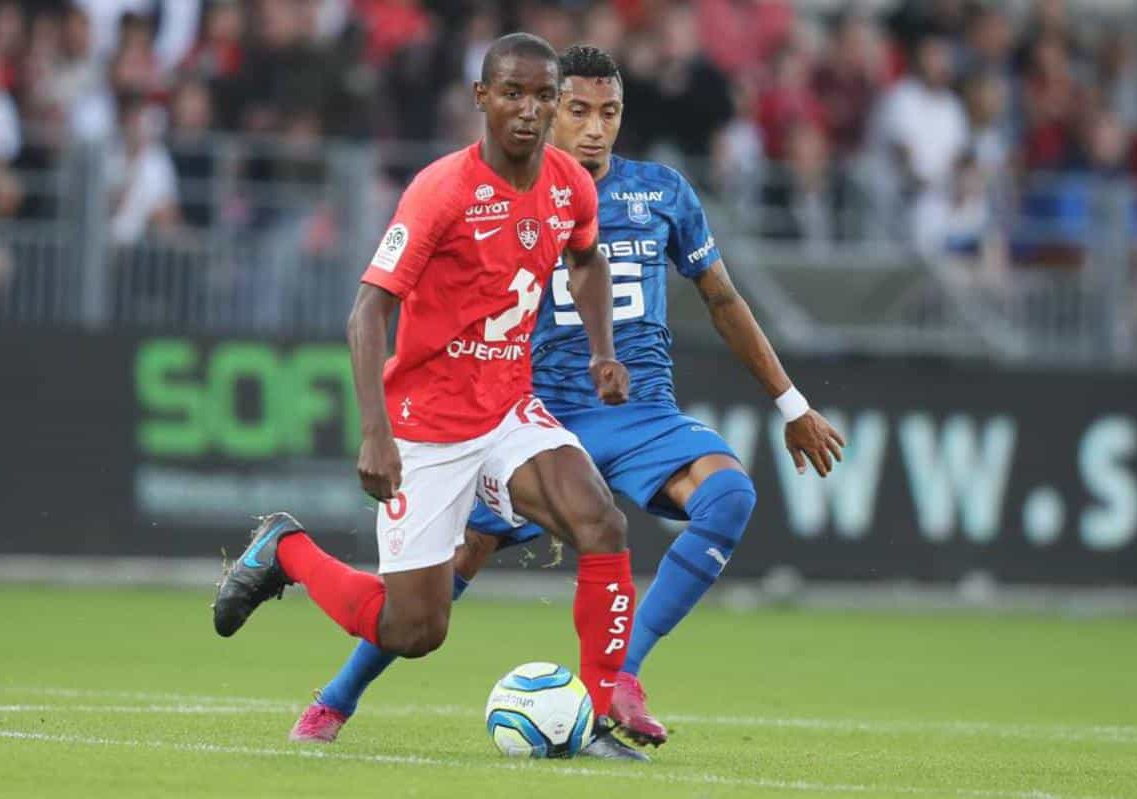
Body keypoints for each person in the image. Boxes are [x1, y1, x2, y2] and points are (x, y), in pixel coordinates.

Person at [295, 45, 846, 750]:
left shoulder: (663, 193)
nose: (592, 128)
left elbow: (722, 297)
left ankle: (619, 679)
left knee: (728, 494)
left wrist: (791, 404)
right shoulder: (497, 185)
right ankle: (337, 697)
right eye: (578, 110)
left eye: (607, 112)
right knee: (441, 584)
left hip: (640, 413)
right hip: (536, 407)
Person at [212, 33, 646, 761]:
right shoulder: (442, 190)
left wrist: (604, 351)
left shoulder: (569, 182)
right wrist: (375, 433)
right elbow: (367, 311)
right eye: (513, 93)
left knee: (599, 520)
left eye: (543, 97)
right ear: (481, 98)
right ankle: (286, 550)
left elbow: (587, 259)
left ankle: (600, 715)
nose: (529, 110)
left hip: (508, 408)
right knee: (415, 630)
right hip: (427, 427)